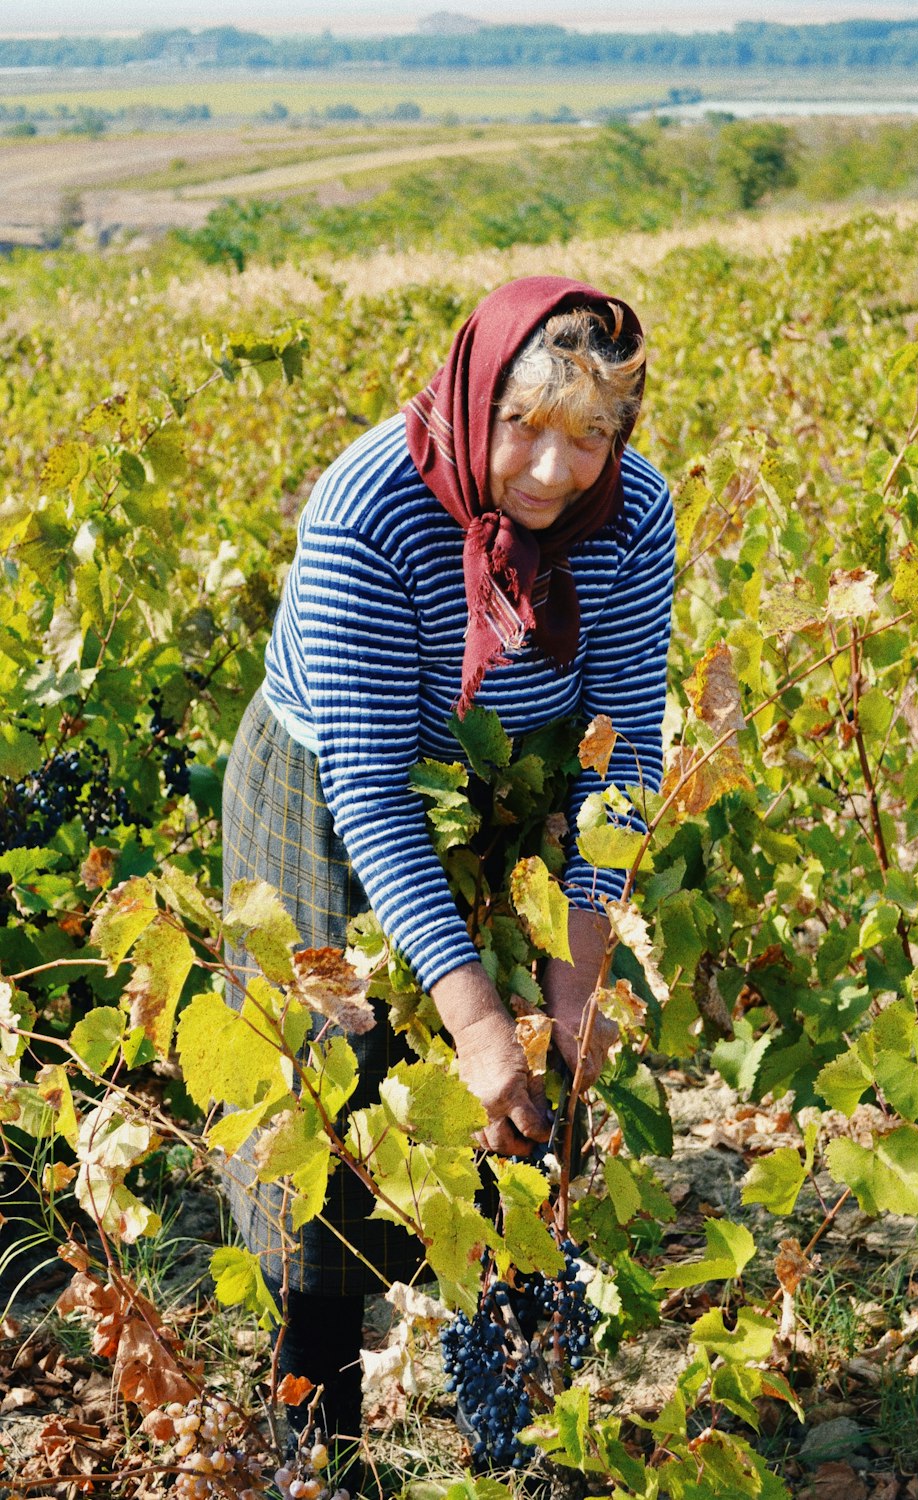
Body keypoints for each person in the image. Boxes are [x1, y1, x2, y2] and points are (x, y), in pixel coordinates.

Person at [220, 276, 676, 1469]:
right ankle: (316, 1439)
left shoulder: (632, 516)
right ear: (475, 392)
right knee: (336, 1095)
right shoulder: (368, 509)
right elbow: (373, 795)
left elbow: (621, 749)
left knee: (528, 1111)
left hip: (515, 784)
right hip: (330, 799)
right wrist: (474, 1020)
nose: (547, 469)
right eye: (523, 423)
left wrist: (577, 968)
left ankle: (520, 1432)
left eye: (589, 438)